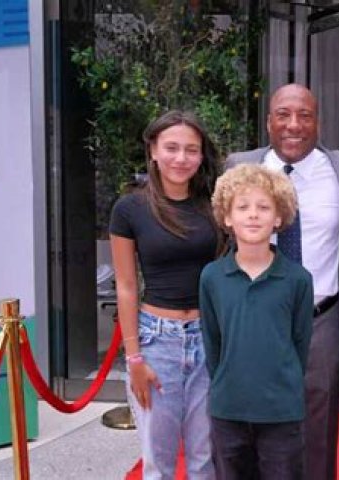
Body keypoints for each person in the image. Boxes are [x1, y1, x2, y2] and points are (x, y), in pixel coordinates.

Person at [224, 83, 339, 480]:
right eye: (283, 115)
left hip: (320, 322)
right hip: (254, 318)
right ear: (268, 122)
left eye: (304, 116)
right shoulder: (239, 167)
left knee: (318, 434)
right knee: (251, 427)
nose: (294, 125)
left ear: (318, 123)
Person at [110, 110, 220, 479]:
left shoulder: (215, 205)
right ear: (153, 151)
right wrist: (134, 358)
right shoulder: (130, 209)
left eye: (191, 149)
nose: (181, 158)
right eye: (171, 148)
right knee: (158, 463)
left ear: (201, 155)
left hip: (208, 339)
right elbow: (126, 285)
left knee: (205, 460)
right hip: (156, 342)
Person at [200, 163, 313, 479]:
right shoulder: (212, 277)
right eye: (243, 207)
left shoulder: (298, 279)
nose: (253, 215)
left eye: (264, 207)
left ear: (278, 218)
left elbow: (300, 344)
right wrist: (228, 385)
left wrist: (283, 387)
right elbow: (213, 343)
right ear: (227, 217)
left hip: (281, 413)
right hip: (229, 410)